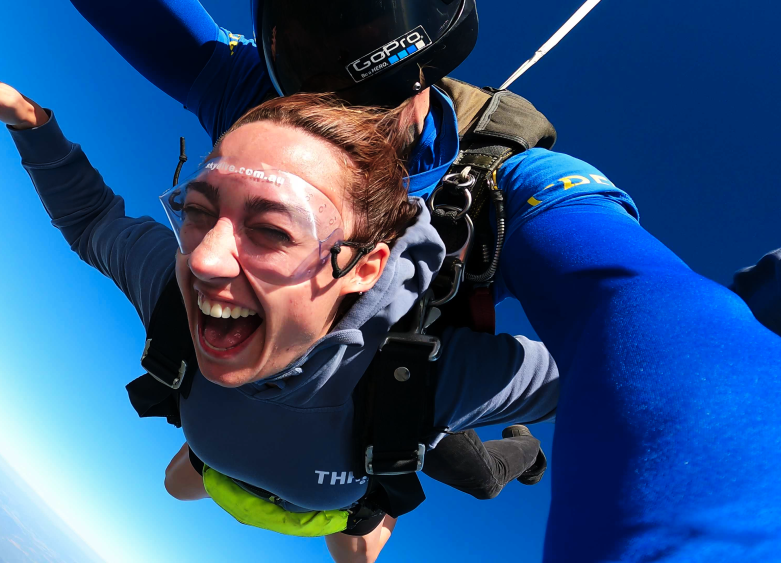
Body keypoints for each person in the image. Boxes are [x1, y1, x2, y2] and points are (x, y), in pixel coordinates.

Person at [71, 0, 781, 561]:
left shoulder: (499, 186)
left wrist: (720, 329)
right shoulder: (268, 115)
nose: (343, 93)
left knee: (444, 482)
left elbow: (634, 310)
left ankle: (519, 455)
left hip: (395, 404)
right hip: (322, 411)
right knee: (197, 477)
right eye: (311, 28)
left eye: (379, 16)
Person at [0, 42, 566, 563]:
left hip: (357, 473)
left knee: (459, 487)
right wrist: (31, 123)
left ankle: (521, 456)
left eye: (270, 229)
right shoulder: (178, 295)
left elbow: (594, 378)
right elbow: (94, 226)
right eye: (199, 211)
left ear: (365, 265)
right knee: (184, 480)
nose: (203, 260)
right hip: (259, 464)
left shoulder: (430, 378)